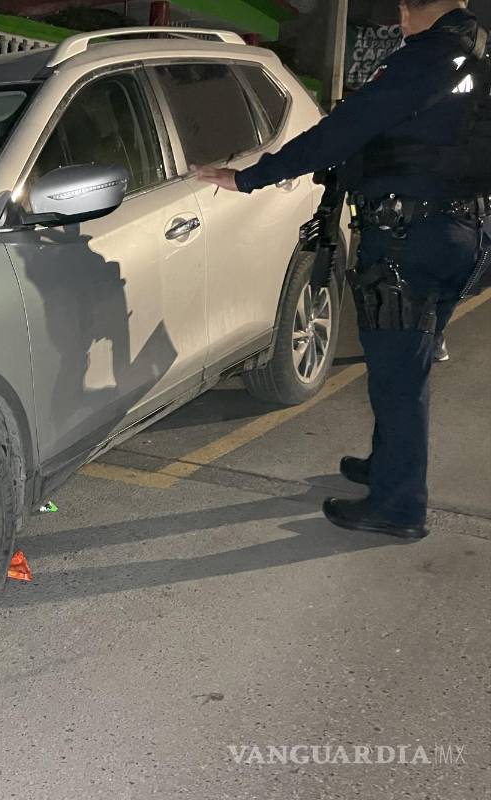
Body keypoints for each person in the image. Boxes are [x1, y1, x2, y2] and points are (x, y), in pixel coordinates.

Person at [196, 0, 490, 541]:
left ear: (416, 8)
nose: (399, 21)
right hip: (458, 232)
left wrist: (251, 177)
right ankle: (387, 468)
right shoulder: (476, 58)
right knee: (410, 363)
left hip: (410, 238)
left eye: (403, 9)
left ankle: (399, 507)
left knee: (398, 374)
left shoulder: (427, 59)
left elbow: (344, 130)